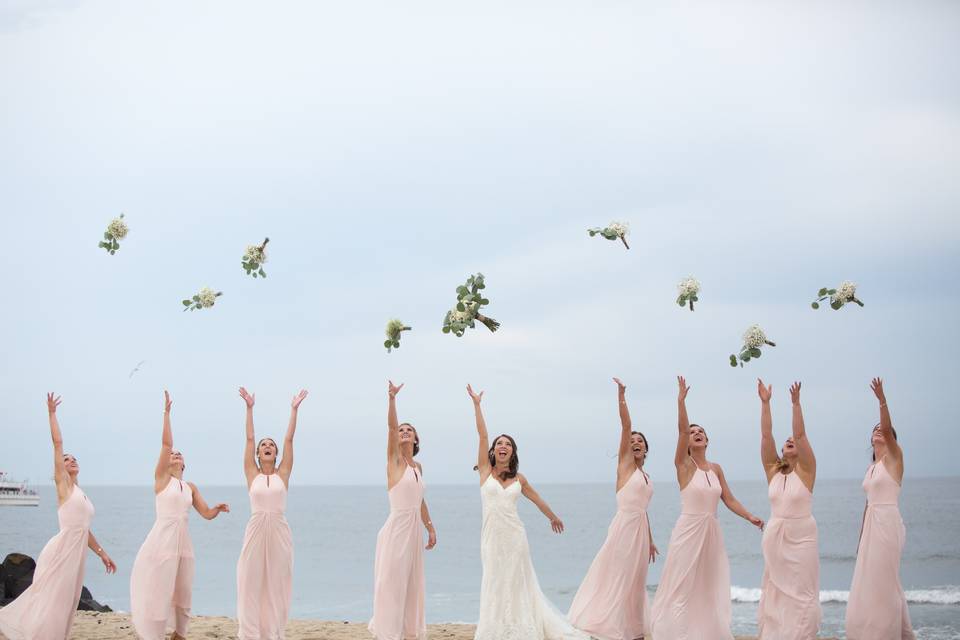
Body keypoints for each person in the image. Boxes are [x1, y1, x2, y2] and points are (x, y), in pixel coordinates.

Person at [468, 384, 586, 640]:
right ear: (493, 451)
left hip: (515, 536)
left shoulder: (520, 479)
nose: (502, 446)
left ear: (512, 452)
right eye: (499, 444)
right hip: (491, 537)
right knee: (495, 580)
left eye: (507, 444)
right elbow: (481, 435)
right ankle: (495, 628)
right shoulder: (485, 472)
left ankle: (520, 626)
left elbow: (537, 500)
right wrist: (477, 406)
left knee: (517, 582)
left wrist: (553, 517)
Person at [650, 376, 764, 639]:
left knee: (707, 586)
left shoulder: (716, 468)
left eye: (700, 431)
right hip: (689, 530)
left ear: (707, 440)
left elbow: (729, 499)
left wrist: (749, 516)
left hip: (711, 532)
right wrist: (681, 402)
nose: (696, 433)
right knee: (682, 585)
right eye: (692, 432)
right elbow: (680, 431)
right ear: (687, 443)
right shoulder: (684, 466)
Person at [0, 393, 116, 640]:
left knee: (67, 603)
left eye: (74, 458)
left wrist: (103, 553)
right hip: (61, 551)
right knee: (52, 601)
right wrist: (52, 414)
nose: (71, 460)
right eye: (66, 459)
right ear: (60, 468)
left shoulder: (81, 493)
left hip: (77, 554)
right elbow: (57, 443)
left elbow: (84, 529)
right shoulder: (63, 486)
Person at [130, 390, 230, 640]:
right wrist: (167, 413)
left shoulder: (191, 487)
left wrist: (216, 510)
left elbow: (205, 514)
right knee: (160, 590)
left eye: (179, 455)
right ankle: (153, 634)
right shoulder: (162, 480)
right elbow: (166, 444)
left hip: (184, 544)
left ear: (184, 465)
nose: (175, 455)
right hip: (162, 540)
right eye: (173, 455)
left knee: (183, 591)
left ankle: (180, 634)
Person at [568, 377, 658, 640]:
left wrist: (651, 541)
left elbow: (644, 510)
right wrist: (621, 397)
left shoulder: (647, 476)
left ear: (646, 448)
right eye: (632, 441)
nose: (635, 442)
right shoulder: (625, 467)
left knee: (635, 581)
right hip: (624, 527)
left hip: (640, 531)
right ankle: (609, 626)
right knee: (618, 576)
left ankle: (634, 629)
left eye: (640, 440)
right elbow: (626, 425)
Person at [845, 377, 915, 639]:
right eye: (873, 429)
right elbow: (866, 505)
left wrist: (882, 401)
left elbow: (886, 427)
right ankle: (899, 633)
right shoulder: (871, 468)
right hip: (872, 525)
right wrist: (861, 537)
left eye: (882, 430)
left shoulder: (895, 460)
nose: (879, 431)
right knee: (873, 583)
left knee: (885, 581)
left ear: (890, 438)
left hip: (888, 521)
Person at [236, 386, 307, 640]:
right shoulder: (251, 473)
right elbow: (249, 439)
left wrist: (294, 410)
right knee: (250, 583)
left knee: (277, 583)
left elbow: (289, 440)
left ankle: (274, 632)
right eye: (263, 445)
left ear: (276, 454)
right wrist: (249, 408)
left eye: (271, 445)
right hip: (255, 530)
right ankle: (251, 633)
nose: (267, 447)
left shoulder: (283, 474)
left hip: (279, 531)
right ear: (258, 454)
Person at [369, 380, 437, 640]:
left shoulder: (418, 467)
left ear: (417, 438)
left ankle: (407, 633)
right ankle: (387, 633)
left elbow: (419, 500)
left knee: (411, 585)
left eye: (410, 430)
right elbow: (390, 427)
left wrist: (430, 527)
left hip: (414, 532)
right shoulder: (394, 461)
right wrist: (392, 399)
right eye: (402, 429)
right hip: (396, 528)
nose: (404, 431)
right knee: (391, 583)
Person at [756, 380, 821, 639]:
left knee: (802, 593)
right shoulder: (773, 470)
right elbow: (765, 436)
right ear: (782, 451)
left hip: (802, 536)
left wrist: (795, 404)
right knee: (776, 591)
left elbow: (802, 435)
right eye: (787, 441)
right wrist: (765, 403)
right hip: (775, 537)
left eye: (793, 440)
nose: (791, 440)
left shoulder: (807, 470)